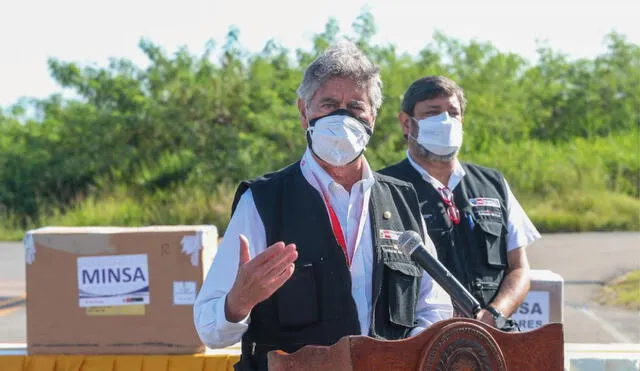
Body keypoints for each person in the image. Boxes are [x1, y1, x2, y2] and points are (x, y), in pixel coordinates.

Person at [193, 42, 453, 370]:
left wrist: (404, 354)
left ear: (373, 116)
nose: (342, 116)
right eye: (329, 104)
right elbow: (209, 330)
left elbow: (435, 307)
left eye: (355, 106)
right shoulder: (263, 202)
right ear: (304, 112)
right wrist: (237, 303)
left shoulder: (403, 202)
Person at [379, 76, 540, 330]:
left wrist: (493, 315)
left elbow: (519, 269)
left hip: (492, 336)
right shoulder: (383, 187)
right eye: (433, 113)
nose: (445, 121)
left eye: (452, 112)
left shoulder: (493, 183)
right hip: (417, 342)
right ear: (406, 123)